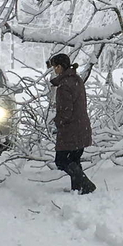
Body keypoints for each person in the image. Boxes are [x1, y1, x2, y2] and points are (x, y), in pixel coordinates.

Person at [47, 53, 97, 195]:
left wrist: (57, 122)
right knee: (74, 159)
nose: (54, 70)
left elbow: (65, 112)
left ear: (60, 67)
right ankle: (78, 189)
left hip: (71, 129)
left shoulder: (64, 86)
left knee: (61, 161)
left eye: (55, 67)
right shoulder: (76, 79)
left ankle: (86, 185)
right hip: (82, 126)